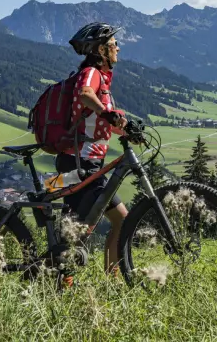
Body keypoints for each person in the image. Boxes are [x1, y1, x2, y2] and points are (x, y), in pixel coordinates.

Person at [56, 22, 128, 274]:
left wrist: (126, 130)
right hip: (80, 164)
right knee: (76, 232)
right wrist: (106, 112)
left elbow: (102, 120)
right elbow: (85, 94)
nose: (118, 48)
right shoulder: (91, 73)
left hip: (89, 165)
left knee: (117, 220)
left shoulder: (103, 81)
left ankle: (111, 280)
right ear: (101, 49)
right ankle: (62, 283)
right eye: (114, 44)